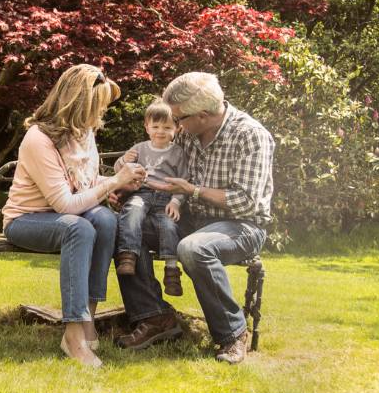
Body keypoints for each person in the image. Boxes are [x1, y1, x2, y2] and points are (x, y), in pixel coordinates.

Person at [114, 72, 274, 365]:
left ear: (202, 115)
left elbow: (246, 202)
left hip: (240, 225)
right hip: (186, 219)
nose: (174, 125)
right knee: (121, 228)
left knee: (193, 247)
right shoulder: (188, 134)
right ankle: (155, 317)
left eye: (178, 119)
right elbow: (149, 162)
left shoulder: (250, 135)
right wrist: (123, 185)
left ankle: (232, 334)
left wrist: (193, 190)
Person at [2, 64, 147, 368]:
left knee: (106, 220)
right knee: (78, 228)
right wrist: (114, 180)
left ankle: (87, 319)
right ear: (78, 103)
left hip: (66, 217)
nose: (101, 114)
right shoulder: (38, 138)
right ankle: (72, 334)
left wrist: (116, 185)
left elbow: (87, 185)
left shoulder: (84, 133)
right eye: (98, 106)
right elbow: (64, 205)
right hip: (26, 220)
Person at [113, 100, 188, 298]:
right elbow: (119, 171)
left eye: (167, 127)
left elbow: (184, 182)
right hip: (142, 193)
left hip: (166, 198)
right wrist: (123, 161)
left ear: (177, 129)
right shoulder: (139, 148)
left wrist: (176, 202)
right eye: (155, 126)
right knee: (132, 210)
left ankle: (172, 271)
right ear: (147, 127)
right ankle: (128, 255)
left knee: (169, 225)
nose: (160, 131)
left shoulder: (178, 153)